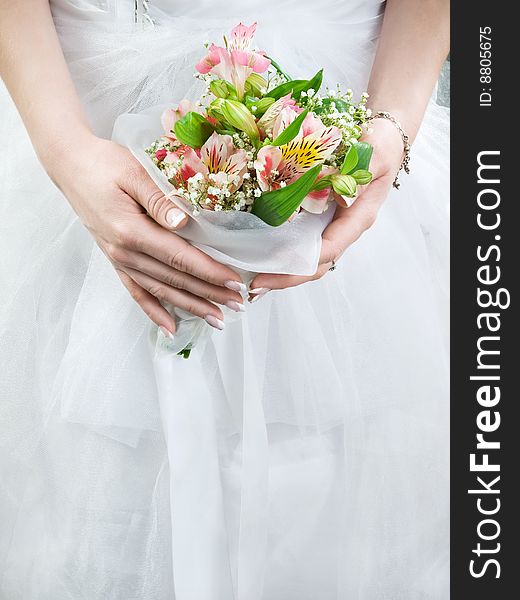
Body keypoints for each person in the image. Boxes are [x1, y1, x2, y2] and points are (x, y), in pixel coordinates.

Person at [0, 1, 450, 598]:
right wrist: (64, 151)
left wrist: (392, 128)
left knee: (335, 522)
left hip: (348, 132)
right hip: (83, 114)